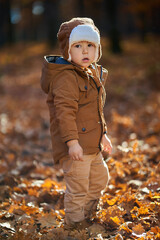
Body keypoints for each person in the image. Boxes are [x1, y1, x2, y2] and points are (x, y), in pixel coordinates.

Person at [40, 17, 112, 230]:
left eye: (90, 45)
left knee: (100, 179)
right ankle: (75, 225)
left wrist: (104, 134)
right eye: (78, 46)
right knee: (78, 188)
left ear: (97, 50)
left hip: (92, 143)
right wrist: (72, 143)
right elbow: (64, 114)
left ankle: (88, 214)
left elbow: (96, 110)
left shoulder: (90, 74)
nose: (85, 51)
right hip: (77, 147)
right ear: (68, 51)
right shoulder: (66, 79)